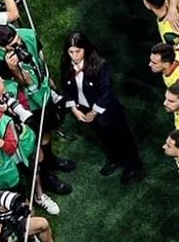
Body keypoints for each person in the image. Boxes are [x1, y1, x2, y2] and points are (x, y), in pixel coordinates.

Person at [59, 31, 142, 182]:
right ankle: (115, 159)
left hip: (107, 110)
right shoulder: (67, 64)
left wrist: (94, 112)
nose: (74, 55)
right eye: (71, 52)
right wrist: (73, 108)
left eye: (78, 51)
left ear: (85, 49)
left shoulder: (100, 65)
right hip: (84, 110)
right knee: (104, 137)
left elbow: (106, 91)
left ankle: (132, 166)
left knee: (122, 137)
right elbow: (66, 87)